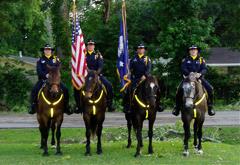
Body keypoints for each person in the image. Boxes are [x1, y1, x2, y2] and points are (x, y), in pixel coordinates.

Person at [172, 45, 215, 116]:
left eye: (195, 50)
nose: (193, 51)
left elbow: (204, 69)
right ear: (189, 52)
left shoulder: (201, 59)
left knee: (210, 89)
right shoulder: (185, 59)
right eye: (191, 50)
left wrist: (200, 73)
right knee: (178, 90)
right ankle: (177, 107)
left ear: (197, 51)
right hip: (187, 79)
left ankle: (210, 107)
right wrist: (190, 73)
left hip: (199, 78)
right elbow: (183, 68)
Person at [28, 44, 71, 115]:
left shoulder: (56, 59)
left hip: (55, 80)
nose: (47, 51)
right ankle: (33, 106)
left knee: (65, 89)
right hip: (44, 80)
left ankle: (66, 106)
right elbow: (39, 70)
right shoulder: (40, 60)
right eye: (46, 50)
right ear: (44, 51)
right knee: (34, 90)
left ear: (51, 51)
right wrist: (45, 75)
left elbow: (59, 69)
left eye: (49, 49)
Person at [74, 39, 115, 113]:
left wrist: (97, 73)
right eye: (89, 45)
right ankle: (78, 106)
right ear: (87, 46)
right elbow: (81, 65)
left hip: (97, 75)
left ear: (94, 46)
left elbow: (101, 66)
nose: (90, 46)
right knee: (77, 87)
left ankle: (109, 104)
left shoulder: (98, 55)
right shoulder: (83, 55)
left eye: (92, 45)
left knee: (109, 86)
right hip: (86, 76)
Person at [124, 43, 163, 113]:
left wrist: (145, 75)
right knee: (129, 89)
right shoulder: (133, 59)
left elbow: (149, 68)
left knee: (157, 88)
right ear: (137, 50)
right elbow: (129, 69)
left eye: (142, 48)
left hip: (145, 78)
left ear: (144, 50)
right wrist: (128, 73)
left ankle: (158, 104)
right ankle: (128, 106)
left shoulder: (147, 59)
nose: (141, 50)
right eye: (139, 48)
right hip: (135, 78)